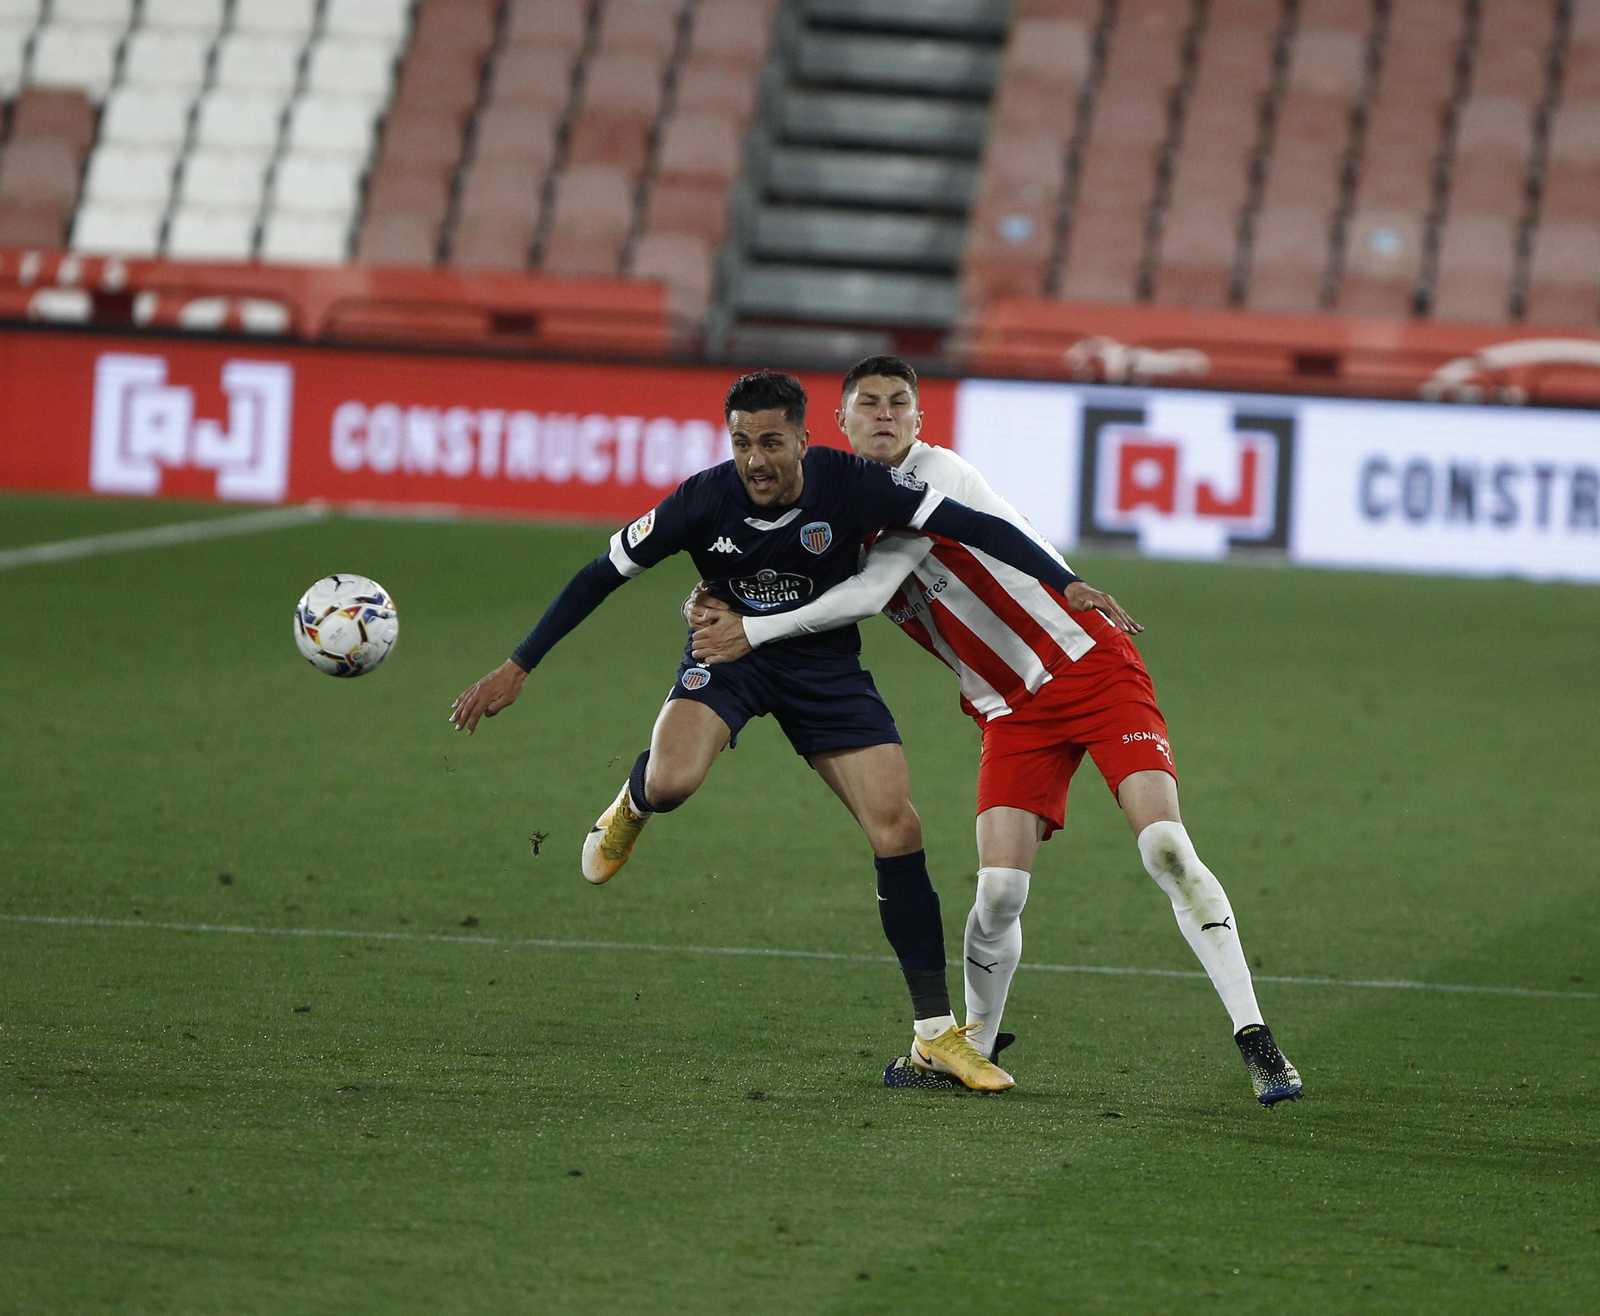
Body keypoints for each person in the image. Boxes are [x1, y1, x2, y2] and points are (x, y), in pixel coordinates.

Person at [450, 370, 1133, 1093]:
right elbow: (601, 573)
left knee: (898, 829)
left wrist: (1066, 581)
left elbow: (971, 524)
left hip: (822, 671)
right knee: (675, 781)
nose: (756, 460)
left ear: (805, 441)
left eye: (772, 442)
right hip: (727, 660)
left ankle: (937, 1037)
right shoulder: (700, 499)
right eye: (743, 442)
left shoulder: (853, 483)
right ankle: (635, 799)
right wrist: (518, 665)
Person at [686, 357, 1302, 1106]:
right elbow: (777, 572)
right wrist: (716, 600)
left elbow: (873, 589)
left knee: (1165, 847)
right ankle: (970, 1045)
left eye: (900, 404)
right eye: (868, 405)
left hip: (1088, 667)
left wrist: (750, 629)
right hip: (1011, 713)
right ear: (836, 427)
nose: (885, 415)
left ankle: (1257, 1041)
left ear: (921, 422)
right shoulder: (837, 517)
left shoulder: (936, 476)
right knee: (999, 893)